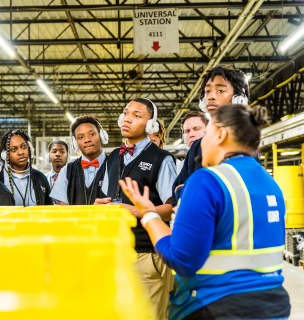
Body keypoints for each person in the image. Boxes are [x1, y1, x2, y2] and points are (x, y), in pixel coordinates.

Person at [119, 104, 290, 320]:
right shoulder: (271, 184)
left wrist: (149, 213)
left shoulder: (208, 181)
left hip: (219, 306)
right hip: (272, 307)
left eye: (205, 134)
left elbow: (181, 259)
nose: (199, 144)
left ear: (221, 135)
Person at [96, 98, 177, 320]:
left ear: (150, 125)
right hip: (116, 251)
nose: (127, 118)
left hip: (146, 253)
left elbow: (173, 208)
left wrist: (141, 211)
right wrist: (100, 206)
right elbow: (109, 197)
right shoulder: (113, 156)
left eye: (137, 115)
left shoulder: (161, 159)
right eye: (125, 112)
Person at [172, 65, 250, 207]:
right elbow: (176, 196)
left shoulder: (243, 144)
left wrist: (187, 191)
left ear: (238, 99)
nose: (211, 96)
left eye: (220, 91)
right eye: (207, 91)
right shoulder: (197, 147)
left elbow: (231, 194)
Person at [49, 116, 109, 205]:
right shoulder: (67, 171)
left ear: (101, 135)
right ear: (75, 143)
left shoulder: (114, 165)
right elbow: (64, 209)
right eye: (80, 137)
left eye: (92, 134)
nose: (87, 140)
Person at [0, 129, 52, 206]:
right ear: (5, 155)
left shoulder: (41, 178)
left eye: (24, 146)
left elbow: (48, 209)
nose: (21, 152)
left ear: (30, 149)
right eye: (14, 149)